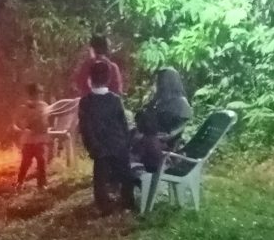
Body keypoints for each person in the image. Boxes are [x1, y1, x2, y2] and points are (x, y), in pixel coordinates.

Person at [78, 60, 136, 211]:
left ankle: (104, 206)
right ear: (108, 79)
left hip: (99, 147)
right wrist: (126, 141)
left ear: (90, 78)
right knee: (125, 174)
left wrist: (91, 145)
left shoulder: (85, 102)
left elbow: (85, 127)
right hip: (118, 143)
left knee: (100, 178)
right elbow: (123, 123)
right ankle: (127, 202)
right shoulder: (115, 99)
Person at [135, 67, 192, 140]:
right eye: (159, 80)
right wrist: (153, 100)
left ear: (172, 81)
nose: (160, 83)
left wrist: (169, 135)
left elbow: (184, 126)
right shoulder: (159, 102)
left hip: (167, 142)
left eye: (162, 80)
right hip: (152, 139)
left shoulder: (181, 102)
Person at [14, 82, 51, 189]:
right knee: (25, 162)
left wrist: (46, 127)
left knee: (42, 161)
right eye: (35, 94)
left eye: (39, 94)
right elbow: (17, 123)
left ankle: (42, 184)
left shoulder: (45, 106)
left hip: (40, 139)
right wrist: (23, 127)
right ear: (30, 95)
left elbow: (48, 121)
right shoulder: (24, 108)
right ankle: (19, 182)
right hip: (28, 140)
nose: (38, 96)